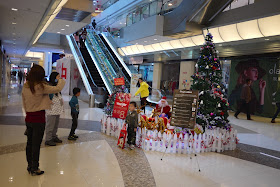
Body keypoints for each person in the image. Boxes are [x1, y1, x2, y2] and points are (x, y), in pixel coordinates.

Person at [22, 64, 65, 176]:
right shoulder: (40, 86)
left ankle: (30, 165)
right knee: (36, 145)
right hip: (38, 120)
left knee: (29, 144)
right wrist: (59, 79)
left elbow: (24, 103)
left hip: (29, 118)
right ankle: (35, 168)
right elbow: (57, 88)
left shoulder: (26, 86)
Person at [45, 72, 64, 146]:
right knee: (50, 125)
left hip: (57, 109)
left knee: (55, 124)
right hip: (51, 109)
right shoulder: (49, 86)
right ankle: (48, 139)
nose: (59, 78)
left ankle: (54, 136)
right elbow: (45, 95)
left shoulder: (57, 87)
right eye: (58, 77)